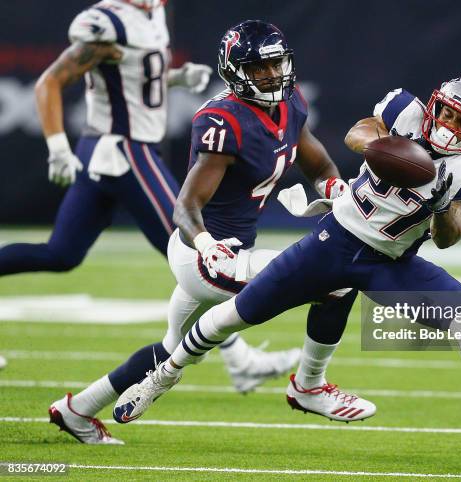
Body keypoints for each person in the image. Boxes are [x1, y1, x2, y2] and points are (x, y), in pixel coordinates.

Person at [115, 75, 461, 461]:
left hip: (389, 263)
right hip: (332, 242)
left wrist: (438, 200)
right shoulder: (406, 113)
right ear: (436, 104)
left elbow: (449, 235)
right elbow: (358, 133)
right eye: (448, 112)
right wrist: (394, 152)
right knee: (234, 315)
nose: (450, 125)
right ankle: (162, 377)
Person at [9, 1, 304, 445]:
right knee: (194, 241)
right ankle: (245, 358)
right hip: (125, 147)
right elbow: (52, 80)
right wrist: (56, 145)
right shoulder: (106, 20)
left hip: (120, 147)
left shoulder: (152, 13)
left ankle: (77, 409)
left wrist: (171, 80)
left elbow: (135, 77)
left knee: (62, 253)